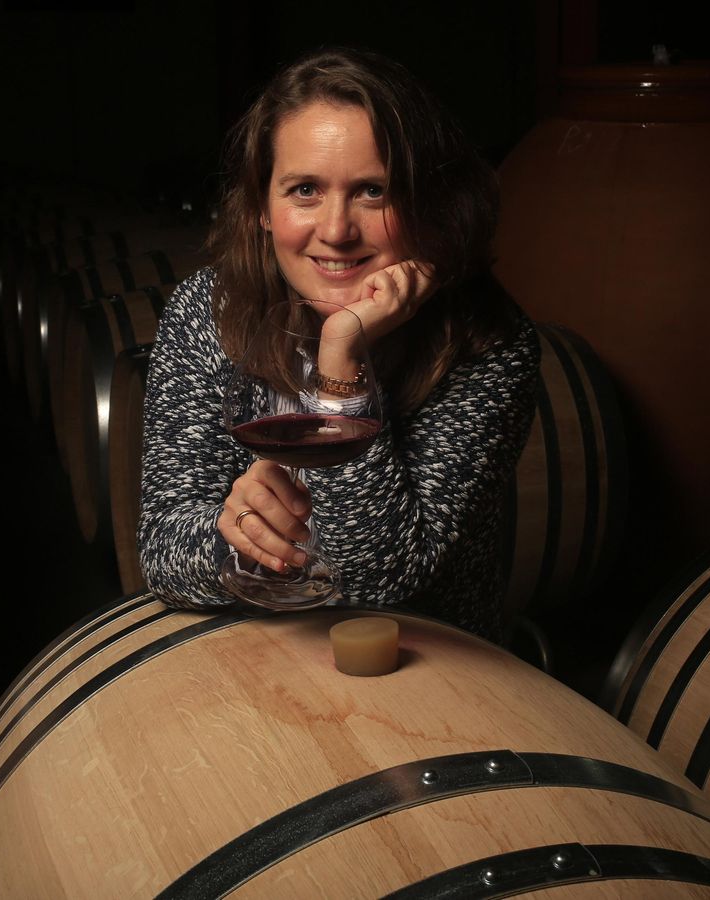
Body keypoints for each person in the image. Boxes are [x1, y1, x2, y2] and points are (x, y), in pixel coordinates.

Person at [137, 46, 539, 641]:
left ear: (426, 202)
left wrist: (341, 357)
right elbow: (162, 552)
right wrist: (238, 536)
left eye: (373, 191)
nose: (335, 231)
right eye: (304, 189)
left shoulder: (489, 342)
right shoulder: (209, 309)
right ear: (262, 210)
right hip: (250, 654)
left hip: (431, 675)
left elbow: (383, 579)